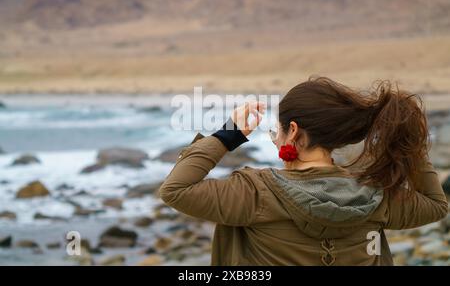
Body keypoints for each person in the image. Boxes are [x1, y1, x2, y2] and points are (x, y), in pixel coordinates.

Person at [159, 76, 448, 265]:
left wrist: (228, 135)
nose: (275, 137)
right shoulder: (376, 197)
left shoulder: (254, 193)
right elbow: (436, 205)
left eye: (278, 129)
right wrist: (408, 142)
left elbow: (175, 190)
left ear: (293, 131)